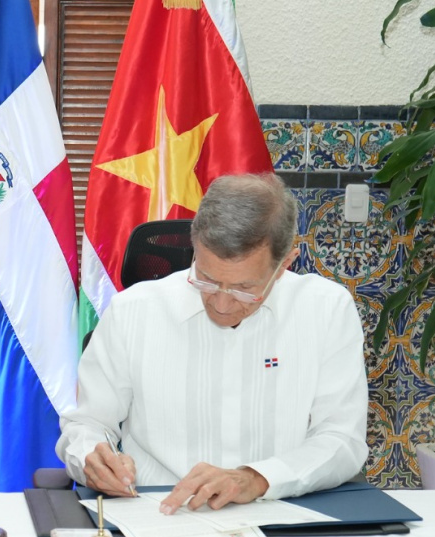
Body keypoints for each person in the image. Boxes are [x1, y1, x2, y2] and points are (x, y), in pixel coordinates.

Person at [56, 173, 368, 515]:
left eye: (244, 289)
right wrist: (92, 458)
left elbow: (342, 439)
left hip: (280, 514)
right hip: (157, 515)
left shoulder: (326, 310)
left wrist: (256, 478)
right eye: (206, 279)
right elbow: (87, 425)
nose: (221, 304)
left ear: (284, 265)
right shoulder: (133, 311)